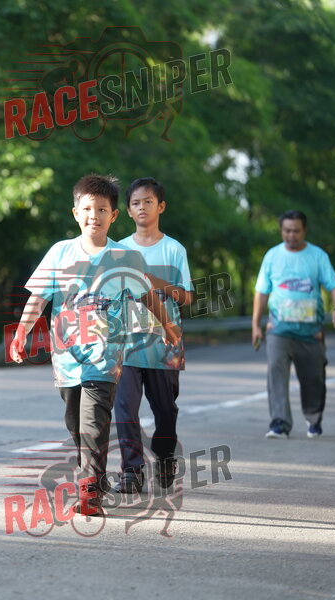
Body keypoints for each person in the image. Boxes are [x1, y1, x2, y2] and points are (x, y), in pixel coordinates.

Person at [10, 174, 180, 515]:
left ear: (113, 215)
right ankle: (95, 478)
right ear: (76, 213)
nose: (94, 216)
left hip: (106, 356)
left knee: (93, 421)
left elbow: (148, 296)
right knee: (75, 422)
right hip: (67, 357)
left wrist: (168, 325)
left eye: (102, 209)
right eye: (87, 209)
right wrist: (21, 332)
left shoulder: (125, 257)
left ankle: (89, 491)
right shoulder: (60, 252)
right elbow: (39, 298)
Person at [112, 178, 193, 494]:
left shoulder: (174, 249)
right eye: (135, 203)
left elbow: (187, 298)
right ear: (128, 211)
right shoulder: (118, 251)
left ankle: (165, 456)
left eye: (148, 201)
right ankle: (131, 472)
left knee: (165, 411)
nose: (142, 207)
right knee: (125, 410)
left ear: (161, 207)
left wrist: (155, 282)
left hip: (164, 345)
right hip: (126, 345)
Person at [252, 210, 335, 439]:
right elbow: (261, 292)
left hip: (311, 332)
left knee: (313, 379)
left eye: (295, 231)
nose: (290, 235)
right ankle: (280, 423)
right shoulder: (272, 256)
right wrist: (255, 325)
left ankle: (313, 419)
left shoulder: (317, 256)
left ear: (304, 231)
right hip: (278, 330)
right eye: (286, 231)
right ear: (281, 230)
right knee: (275, 372)